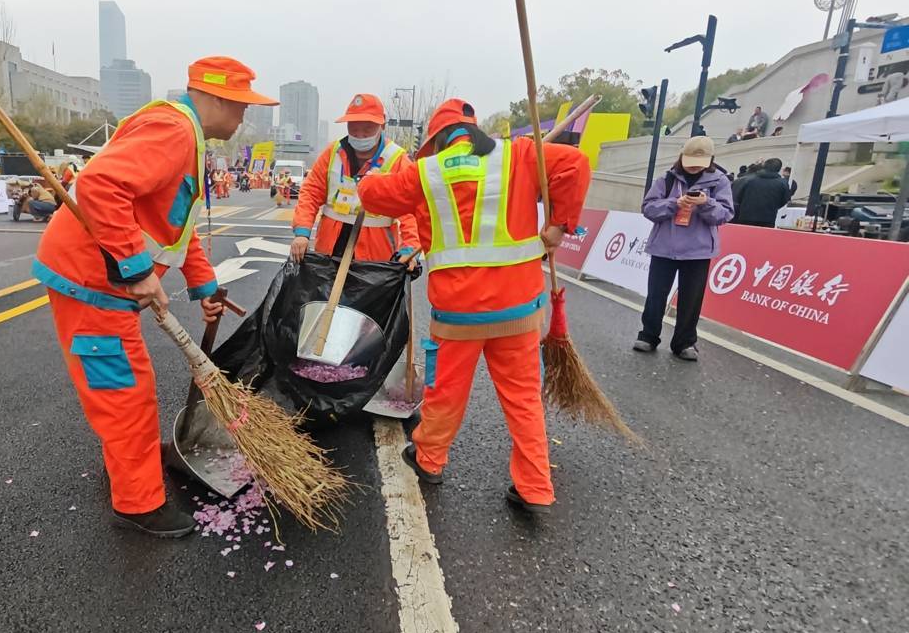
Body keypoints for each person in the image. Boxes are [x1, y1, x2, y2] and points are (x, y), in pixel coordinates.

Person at [33, 56, 276, 538]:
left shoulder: (187, 137)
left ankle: (134, 461)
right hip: (90, 281)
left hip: (105, 284)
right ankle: (137, 502)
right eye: (242, 105)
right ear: (217, 99)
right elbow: (101, 186)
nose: (244, 116)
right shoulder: (174, 131)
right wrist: (137, 267)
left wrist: (205, 285)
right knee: (124, 393)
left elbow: (177, 228)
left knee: (128, 387)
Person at [358, 99, 591, 515]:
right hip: (518, 309)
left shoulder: (425, 172)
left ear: (436, 140)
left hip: (457, 313)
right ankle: (535, 485)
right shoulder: (519, 154)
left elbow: (375, 197)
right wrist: (558, 226)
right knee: (523, 398)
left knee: (446, 392)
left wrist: (370, 177)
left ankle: (429, 460)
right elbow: (575, 164)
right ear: (474, 130)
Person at [634, 136, 734, 361]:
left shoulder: (719, 182)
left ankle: (685, 342)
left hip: (698, 250)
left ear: (710, 160)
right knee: (656, 295)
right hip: (664, 246)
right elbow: (648, 208)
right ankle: (648, 335)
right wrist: (674, 203)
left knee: (691, 299)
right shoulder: (667, 179)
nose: (694, 166)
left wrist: (706, 203)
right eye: (690, 161)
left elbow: (725, 214)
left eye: (700, 162)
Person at [290, 94, 420, 264]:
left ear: (382, 125)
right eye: (354, 128)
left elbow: (411, 207)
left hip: (375, 256)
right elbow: (311, 192)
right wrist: (302, 232)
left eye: (367, 129)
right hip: (330, 250)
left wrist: (410, 248)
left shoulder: (396, 159)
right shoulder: (333, 153)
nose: (360, 135)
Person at [731, 157, 793, 228]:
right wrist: (773, 206)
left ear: (764, 166)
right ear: (779, 169)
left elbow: (738, 196)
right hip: (768, 218)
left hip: (745, 216)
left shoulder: (748, 179)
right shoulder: (783, 183)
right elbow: (785, 200)